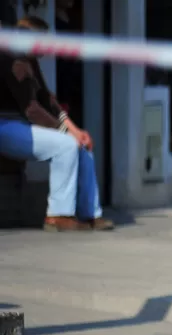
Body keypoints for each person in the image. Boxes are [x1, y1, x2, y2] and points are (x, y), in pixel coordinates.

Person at [0, 16, 111, 231]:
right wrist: (66, 133)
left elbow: (47, 100)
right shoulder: (12, 61)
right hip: (5, 125)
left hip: (22, 126)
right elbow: (32, 110)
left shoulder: (30, 60)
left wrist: (76, 130)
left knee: (83, 146)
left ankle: (90, 214)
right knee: (66, 145)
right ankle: (57, 215)